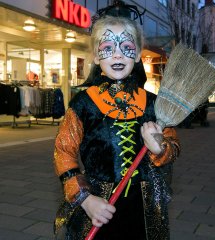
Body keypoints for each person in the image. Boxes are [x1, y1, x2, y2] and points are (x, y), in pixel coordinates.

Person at [53, 15, 180, 240]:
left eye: (127, 46)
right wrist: (85, 199)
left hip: (145, 207)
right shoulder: (83, 103)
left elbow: (173, 147)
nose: (118, 54)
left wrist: (159, 146)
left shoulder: (153, 103)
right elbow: (64, 152)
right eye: (108, 47)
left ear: (139, 53)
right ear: (94, 55)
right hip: (98, 207)